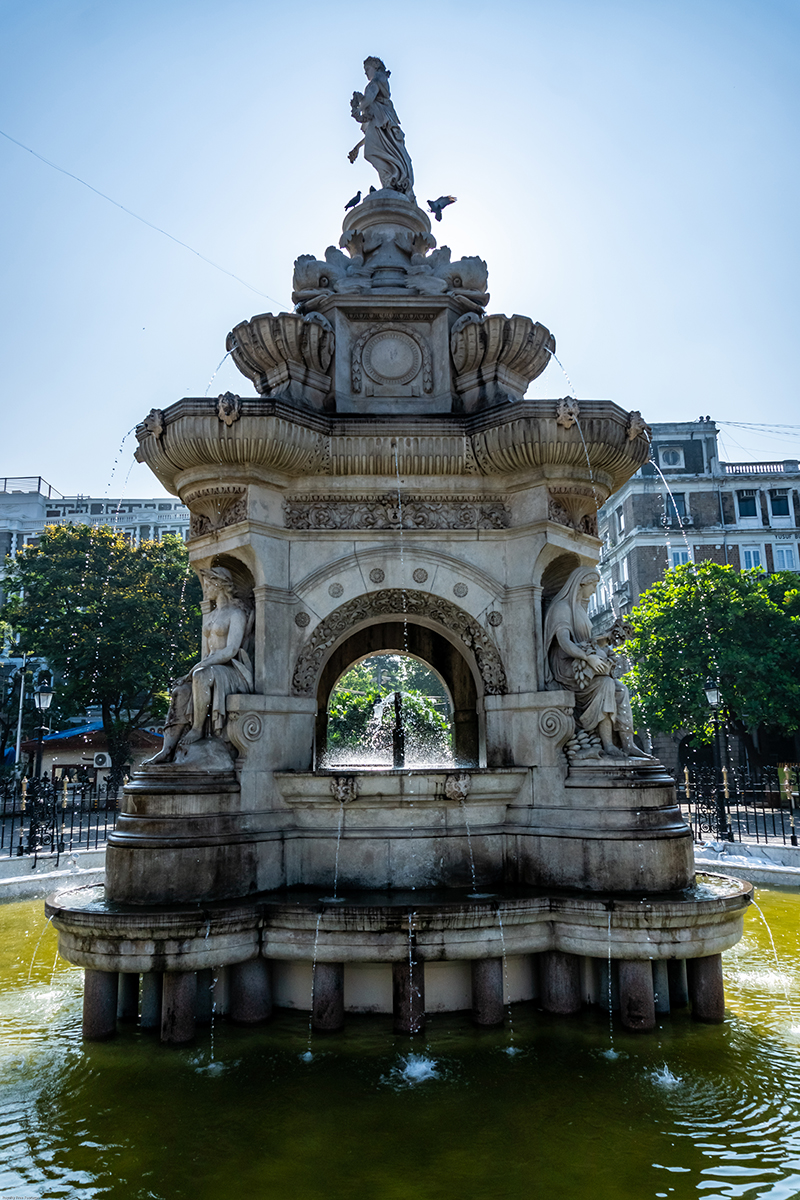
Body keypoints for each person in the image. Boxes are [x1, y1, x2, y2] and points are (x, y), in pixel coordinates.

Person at [147, 566, 253, 764]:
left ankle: (197, 729)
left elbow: (231, 650)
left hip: (232, 671)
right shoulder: (211, 617)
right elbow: (207, 652)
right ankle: (167, 749)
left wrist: (198, 667)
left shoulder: (236, 614)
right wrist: (197, 668)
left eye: (208, 585)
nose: (206, 589)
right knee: (180, 690)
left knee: (201, 675)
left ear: (219, 585)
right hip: (210, 668)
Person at [543, 567, 649, 759]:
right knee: (607, 684)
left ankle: (628, 744)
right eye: (593, 586)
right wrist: (588, 657)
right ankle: (608, 744)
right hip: (566, 666)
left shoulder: (580, 609)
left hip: (581, 662)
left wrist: (607, 638)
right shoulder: (562, 608)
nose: (594, 590)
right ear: (581, 584)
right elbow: (565, 643)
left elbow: (586, 641)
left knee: (621, 690)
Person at [348, 57, 415, 198]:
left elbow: (368, 99)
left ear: (376, 66)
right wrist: (357, 147)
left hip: (383, 117)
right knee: (373, 151)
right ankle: (389, 182)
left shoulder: (376, 79)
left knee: (371, 152)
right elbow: (373, 135)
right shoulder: (379, 101)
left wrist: (358, 105)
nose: (366, 74)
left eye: (367, 69)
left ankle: (391, 181)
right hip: (384, 118)